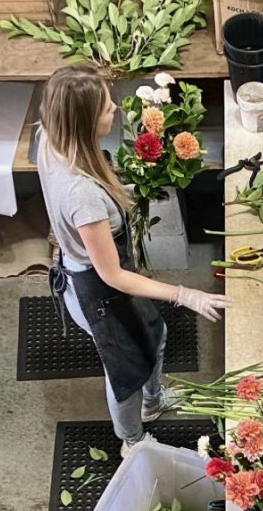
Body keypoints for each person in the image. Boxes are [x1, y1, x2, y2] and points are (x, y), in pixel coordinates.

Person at [37, 66, 231, 456]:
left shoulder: (49, 136)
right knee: (125, 373)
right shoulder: (82, 196)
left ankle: (153, 401)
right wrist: (185, 294)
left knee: (155, 335)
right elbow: (113, 275)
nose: (114, 107)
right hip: (96, 290)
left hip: (92, 269)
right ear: (83, 122)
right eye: (105, 106)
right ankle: (131, 440)